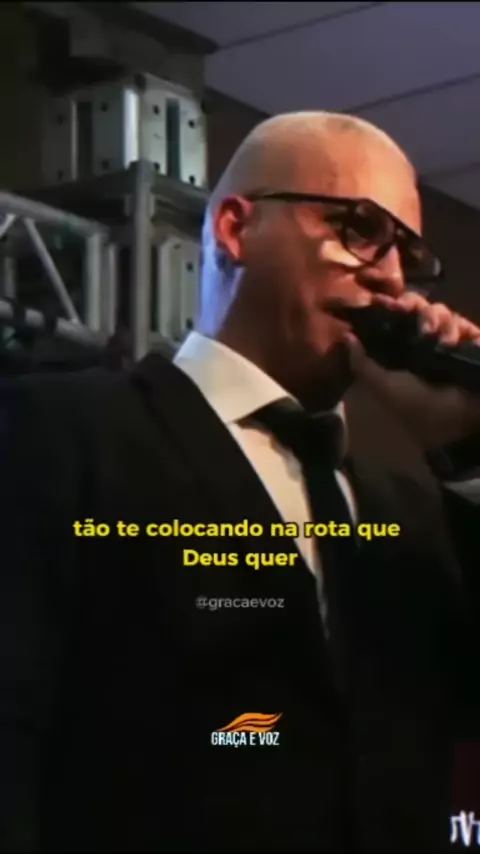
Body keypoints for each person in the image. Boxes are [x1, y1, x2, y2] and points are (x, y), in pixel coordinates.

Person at [1, 110, 480, 853]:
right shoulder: (60, 433)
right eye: (360, 228)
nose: (390, 278)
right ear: (236, 228)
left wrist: (466, 444)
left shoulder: (410, 508)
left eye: (407, 254)